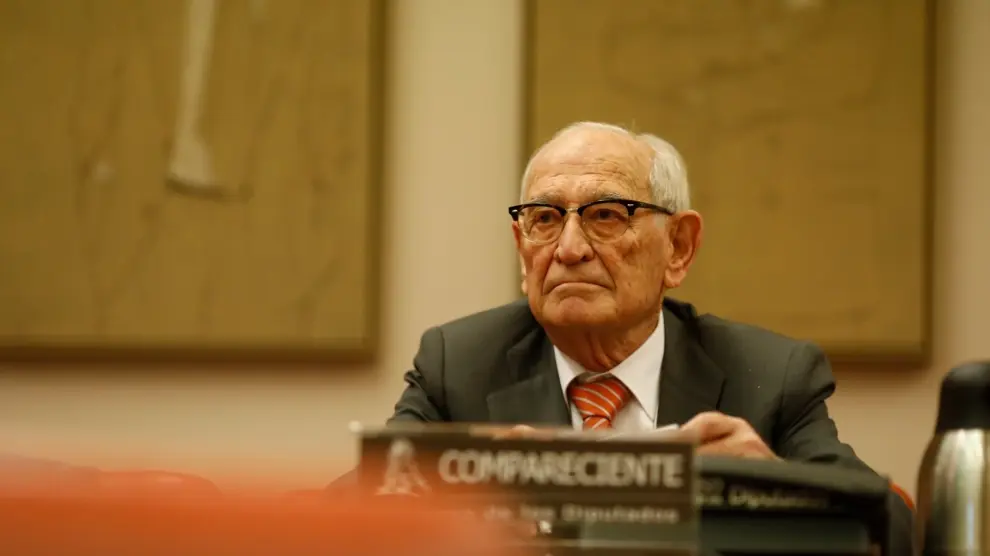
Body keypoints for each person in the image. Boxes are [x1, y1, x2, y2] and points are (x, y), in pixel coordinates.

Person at [359, 121, 911, 553]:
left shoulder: (769, 376)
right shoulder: (459, 366)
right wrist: (457, 503)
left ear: (678, 248)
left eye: (605, 215)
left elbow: (895, 525)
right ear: (522, 249)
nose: (569, 248)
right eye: (544, 218)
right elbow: (346, 516)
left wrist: (777, 492)